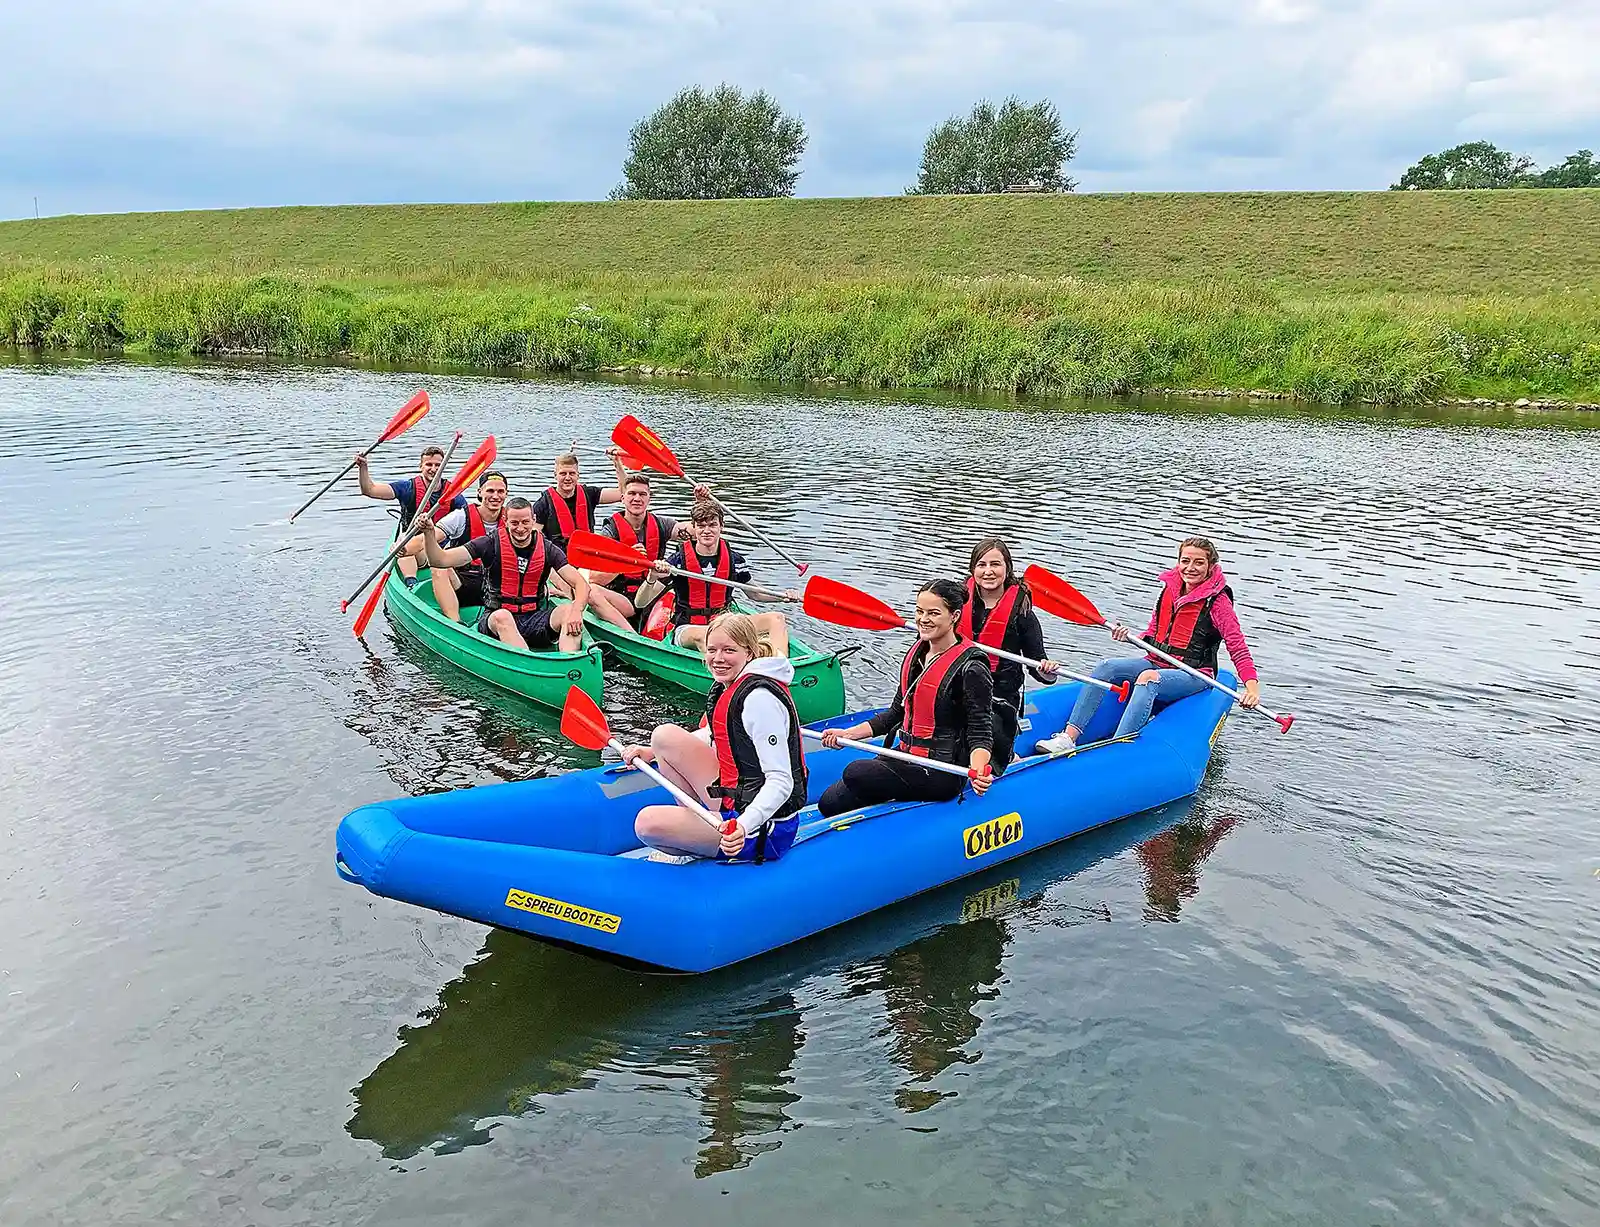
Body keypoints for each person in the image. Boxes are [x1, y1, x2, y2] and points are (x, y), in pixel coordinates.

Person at [1035, 536, 1262, 753]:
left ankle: (1117, 748)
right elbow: (1154, 632)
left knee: (1148, 678)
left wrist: (1251, 688)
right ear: (1178, 562)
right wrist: (1129, 635)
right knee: (1107, 666)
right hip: (1156, 661)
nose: (1190, 568)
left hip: (1194, 674)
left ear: (1211, 566)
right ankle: (1068, 737)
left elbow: (1238, 646)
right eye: (1185, 561)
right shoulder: (1170, 589)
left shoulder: (1218, 602)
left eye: (1198, 562)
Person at [620, 612, 808, 864]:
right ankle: (698, 831)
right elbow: (718, 735)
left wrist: (742, 825)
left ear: (749, 653)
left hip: (763, 827)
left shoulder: (759, 700)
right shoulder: (730, 685)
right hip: (736, 798)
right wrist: (651, 752)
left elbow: (781, 781)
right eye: (712, 650)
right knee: (663, 737)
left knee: (647, 823)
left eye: (729, 650)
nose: (718, 659)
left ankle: (702, 840)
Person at [816, 579, 994, 817]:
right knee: (828, 803)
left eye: (933, 613)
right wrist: (847, 734)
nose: (923, 619)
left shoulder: (972, 668)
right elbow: (895, 714)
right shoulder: (918, 652)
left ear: (954, 616)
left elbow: (980, 730)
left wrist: (979, 770)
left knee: (856, 771)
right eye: (919, 611)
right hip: (905, 754)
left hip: (940, 770)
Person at [415, 496, 589, 652]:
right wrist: (429, 533)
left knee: (568, 610)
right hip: (496, 618)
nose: (520, 528)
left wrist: (576, 610)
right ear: (505, 521)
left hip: (534, 617)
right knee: (502, 616)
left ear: (533, 520)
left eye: (525, 522)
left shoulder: (548, 548)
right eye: (514, 523)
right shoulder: (490, 543)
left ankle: (569, 665)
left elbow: (581, 584)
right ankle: (528, 665)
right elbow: (441, 560)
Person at [960, 537, 1060, 771]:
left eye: (995, 564)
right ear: (973, 569)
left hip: (1000, 698)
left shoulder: (1023, 614)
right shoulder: (956, 603)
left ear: (1007, 568)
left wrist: (1046, 668)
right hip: (960, 689)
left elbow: (1038, 666)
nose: (988, 572)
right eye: (981, 565)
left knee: (988, 747)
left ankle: (1009, 759)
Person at [651, 501, 800, 656]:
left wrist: (783, 597)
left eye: (712, 525)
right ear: (694, 528)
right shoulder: (677, 562)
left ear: (721, 526)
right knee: (708, 635)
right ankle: (737, 664)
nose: (707, 531)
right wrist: (652, 576)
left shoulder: (735, 560)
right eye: (701, 526)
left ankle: (779, 668)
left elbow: (755, 594)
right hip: (688, 628)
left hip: (725, 623)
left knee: (776, 618)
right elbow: (640, 602)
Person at [585, 470, 690, 629]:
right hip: (624, 597)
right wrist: (627, 560)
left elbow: (693, 531)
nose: (637, 498)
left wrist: (701, 504)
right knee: (590, 591)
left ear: (649, 498)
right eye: (632, 493)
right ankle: (630, 635)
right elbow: (595, 578)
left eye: (642, 494)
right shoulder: (610, 531)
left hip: (654, 592)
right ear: (623, 498)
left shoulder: (662, 524)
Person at [355, 445, 469, 586]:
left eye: (438, 465)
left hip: (441, 551)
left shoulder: (454, 495)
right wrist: (363, 468)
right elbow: (370, 490)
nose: (433, 469)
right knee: (403, 544)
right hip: (413, 550)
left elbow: (467, 523)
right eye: (429, 464)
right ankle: (411, 582)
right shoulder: (407, 488)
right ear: (421, 466)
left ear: (443, 467)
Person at [426, 469, 508, 622]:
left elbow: (539, 552)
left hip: (498, 587)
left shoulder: (513, 521)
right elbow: (431, 537)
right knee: (438, 566)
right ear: (480, 492)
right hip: (463, 581)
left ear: (506, 494)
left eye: (500, 491)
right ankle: (455, 622)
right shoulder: (460, 516)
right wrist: (403, 547)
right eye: (490, 491)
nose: (495, 496)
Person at [529, 448, 628, 553]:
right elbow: (533, 539)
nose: (567, 478)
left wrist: (617, 463)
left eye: (572, 473)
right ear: (555, 476)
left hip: (587, 555)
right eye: (563, 474)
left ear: (578, 475)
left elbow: (623, 493)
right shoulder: (543, 504)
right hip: (558, 561)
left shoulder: (589, 494)